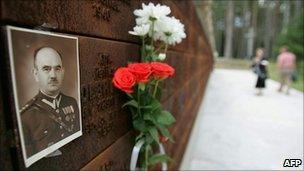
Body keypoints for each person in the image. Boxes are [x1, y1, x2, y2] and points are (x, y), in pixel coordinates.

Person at [20, 47, 80, 157]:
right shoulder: (26, 116)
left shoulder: (72, 103)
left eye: (57, 69)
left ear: (63, 72)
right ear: (35, 74)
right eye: (46, 69)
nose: (53, 75)